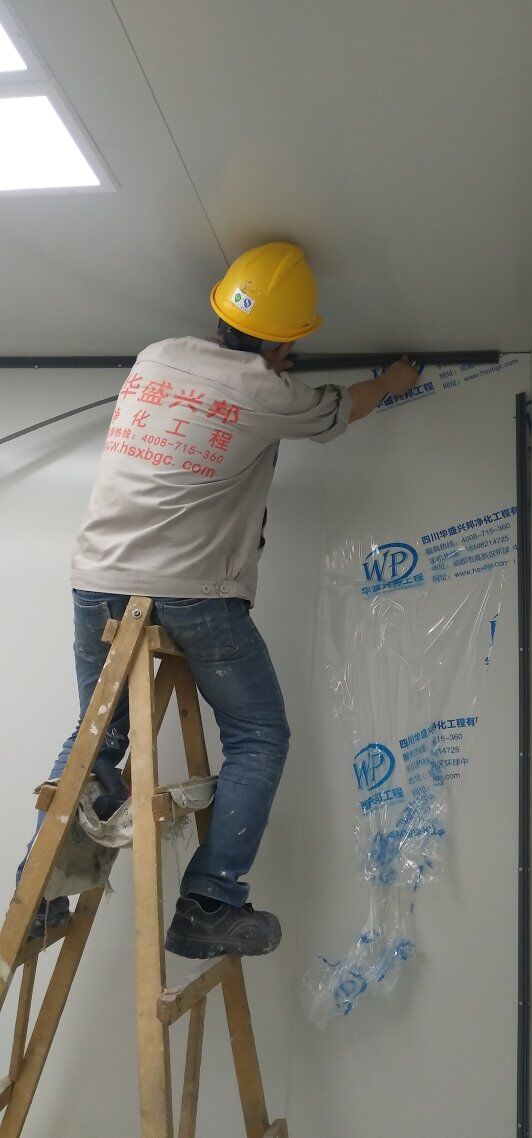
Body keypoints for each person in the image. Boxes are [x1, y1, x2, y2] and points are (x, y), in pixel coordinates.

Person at [22, 242, 419, 957]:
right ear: (288, 341)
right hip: (191, 592)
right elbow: (343, 409)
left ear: (221, 313)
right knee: (259, 735)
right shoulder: (271, 393)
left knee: (97, 735)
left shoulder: (156, 357)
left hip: (97, 577)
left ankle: (36, 896)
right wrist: (390, 382)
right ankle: (209, 905)